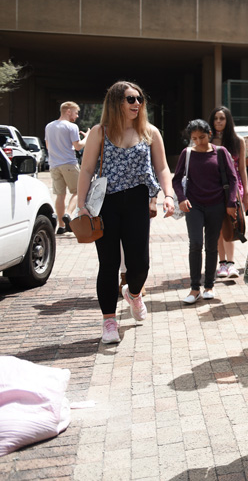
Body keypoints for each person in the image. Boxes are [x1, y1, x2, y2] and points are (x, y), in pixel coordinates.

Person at [76, 81, 175, 344]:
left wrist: (169, 195)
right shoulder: (100, 132)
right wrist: (81, 204)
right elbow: (86, 170)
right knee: (108, 264)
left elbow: (163, 168)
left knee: (140, 263)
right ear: (116, 102)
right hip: (106, 203)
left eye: (140, 99)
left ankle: (133, 293)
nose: (137, 104)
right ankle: (109, 321)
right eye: (131, 99)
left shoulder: (150, 131)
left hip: (137, 202)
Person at [173, 119, 238, 304]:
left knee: (211, 245)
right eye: (194, 138)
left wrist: (231, 202)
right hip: (194, 205)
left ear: (209, 134)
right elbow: (176, 180)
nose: (198, 141)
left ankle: (209, 285)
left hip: (217, 205)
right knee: (195, 243)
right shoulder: (187, 153)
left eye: (202, 137)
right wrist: (181, 198)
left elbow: (233, 179)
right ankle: (194, 288)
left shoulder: (220, 152)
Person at [210, 106, 248, 279]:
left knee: (231, 224)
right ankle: (222, 264)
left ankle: (231, 264)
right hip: (213, 188)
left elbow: (242, 168)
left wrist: (246, 192)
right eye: (216, 118)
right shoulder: (207, 140)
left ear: (228, 120)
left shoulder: (237, 140)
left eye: (222, 118)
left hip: (234, 189)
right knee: (218, 227)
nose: (218, 122)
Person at [45, 101, 87, 234]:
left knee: (60, 195)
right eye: (76, 112)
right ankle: (68, 214)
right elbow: (78, 146)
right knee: (78, 191)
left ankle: (61, 226)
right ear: (68, 111)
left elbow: (47, 146)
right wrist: (88, 137)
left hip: (54, 165)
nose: (77, 116)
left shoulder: (49, 126)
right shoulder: (71, 127)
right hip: (69, 163)